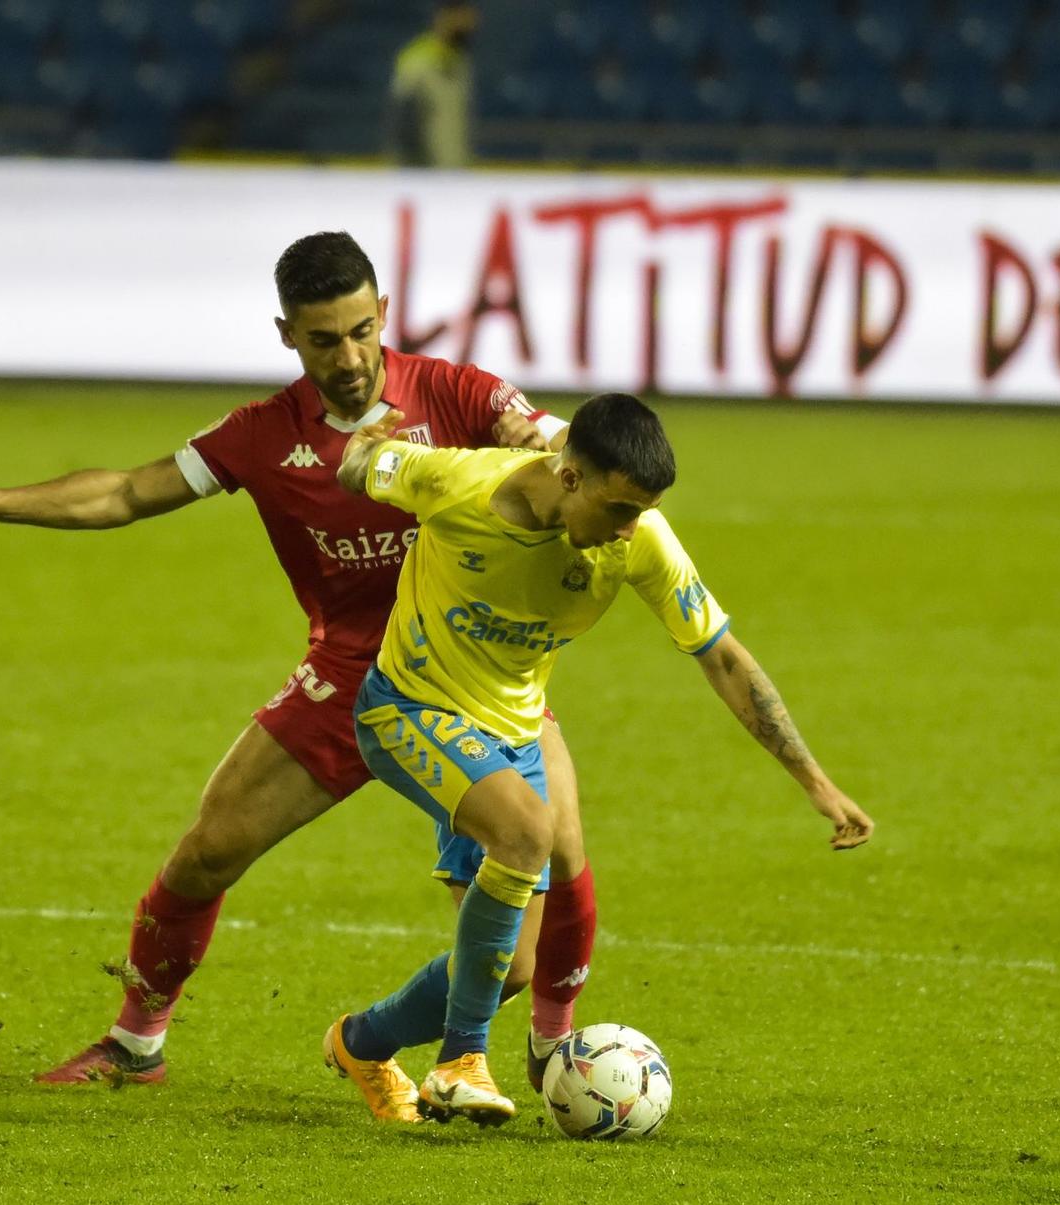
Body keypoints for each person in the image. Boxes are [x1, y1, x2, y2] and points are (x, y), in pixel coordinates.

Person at [0, 232, 601, 1115]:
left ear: (384, 316)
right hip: (348, 680)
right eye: (322, 339)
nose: (348, 358)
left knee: (551, 867)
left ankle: (552, 1036)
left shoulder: (459, 395)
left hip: (475, 681)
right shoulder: (263, 436)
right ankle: (134, 1042)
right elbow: (129, 491)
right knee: (208, 849)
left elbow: (565, 448)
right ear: (286, 337)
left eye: (362, 330)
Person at [327, 393, 874, 1125]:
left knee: (510, 968)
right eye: (619, 508)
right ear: (570, 474)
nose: (628, 528)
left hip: (512, 727)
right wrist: (364, 442)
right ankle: (462, 1059)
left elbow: (722, 657)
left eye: (640, 512)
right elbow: (361, 467)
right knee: (528, 832)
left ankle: (362, 1041)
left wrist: (816, 781)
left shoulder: (638, 538)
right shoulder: (455, 481)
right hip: (408, 707)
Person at [386, 1, 477, 168]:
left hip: (453, 172)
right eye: (463, 16)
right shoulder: (419, 60)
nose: (471, 24)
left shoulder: (459, 60)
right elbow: (403, 122)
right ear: (444, 17)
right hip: (426, 177)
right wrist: (413, 173)